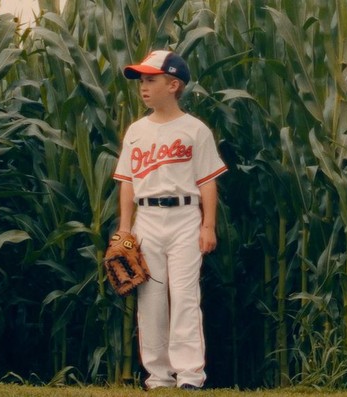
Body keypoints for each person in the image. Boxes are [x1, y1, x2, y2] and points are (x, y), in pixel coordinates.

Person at [112, 50, 227, 390]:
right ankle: (158, 377)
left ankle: (190, 375)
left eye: (151, 80)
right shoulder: (136, 130)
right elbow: (128, 182)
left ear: (173, 84)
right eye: (141, 81)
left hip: (184, 217)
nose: (143, 88)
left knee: (185, 296)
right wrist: (123, 229)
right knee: (151, 300)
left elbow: (207, 182)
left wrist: (207, 226)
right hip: (146, 218)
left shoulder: (195, 130)